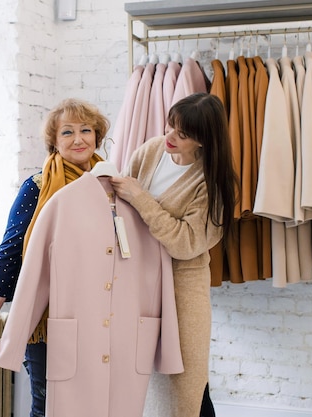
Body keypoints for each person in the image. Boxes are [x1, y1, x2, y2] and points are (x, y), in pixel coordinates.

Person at [0, 98, 110, 417]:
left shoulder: (112, 186)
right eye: (67, 132)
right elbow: (10, 251)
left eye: (86, 130)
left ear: (97, 136)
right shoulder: (38, 186)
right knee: (48, 406)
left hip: (98, 315)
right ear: (54, 142)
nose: (79, 139)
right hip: (49, 318)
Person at [110, 92, 238, 417]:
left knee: (188, 380)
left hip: (183, 290)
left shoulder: (212, 183)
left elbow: (186, 243)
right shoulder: (151, 151)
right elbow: (122, 209)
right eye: (170, 126)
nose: (169, 136)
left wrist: (142, 199)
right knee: (147, 376)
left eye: (182, 134)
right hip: (140, 280)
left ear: (203, 141)